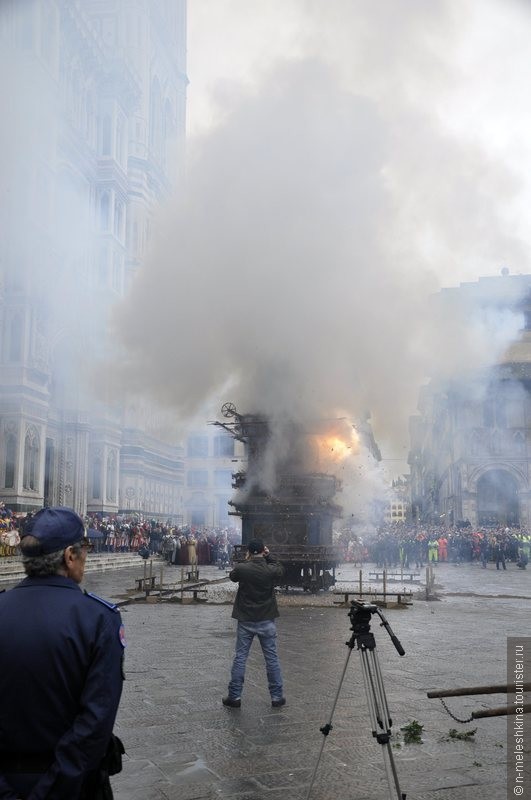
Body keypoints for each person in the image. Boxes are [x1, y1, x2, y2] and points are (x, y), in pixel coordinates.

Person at [0, 507, 126, 800]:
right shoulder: (98, 619)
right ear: (70, 556)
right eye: (85, 549)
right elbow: (95, 722)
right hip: (73, 789)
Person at [223, 539, 285, 709]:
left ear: (249, 552)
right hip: (266, 618)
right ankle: (277, 697)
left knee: (240, 657)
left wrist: (247, 559)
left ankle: (234, 697)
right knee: (271, 659)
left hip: (246, 619)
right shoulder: (270, 569)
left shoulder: (242, 568)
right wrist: (269, 555)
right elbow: (280, 569)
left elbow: (233, 576)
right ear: (262, 551)